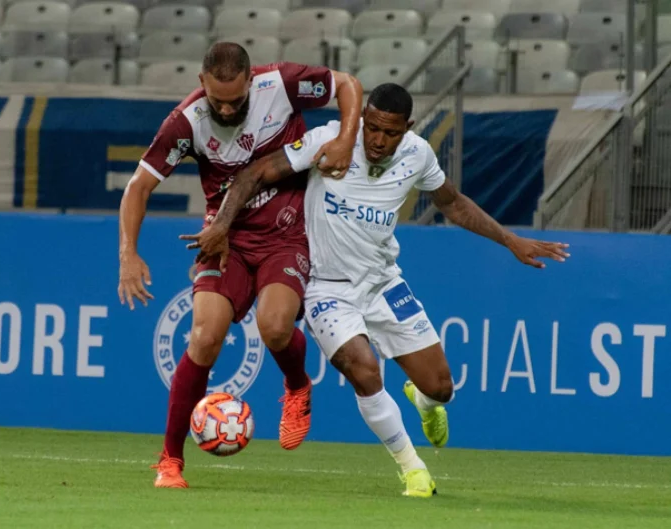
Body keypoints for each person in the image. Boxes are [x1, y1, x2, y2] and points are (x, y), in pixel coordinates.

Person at [181, 83, 570, 497]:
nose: (379, 140)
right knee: (364, 370)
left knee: (440, 388)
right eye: (373, 128)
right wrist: (221, 224)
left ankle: (423, 403)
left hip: (384, 283)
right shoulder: (328, 141)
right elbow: (256, 172)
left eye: (391, 132)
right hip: (326, 288)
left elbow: (452, 202)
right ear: (363, 118)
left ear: (409, 128)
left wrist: (511, 241)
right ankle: (413, 469)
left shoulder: (418, 153)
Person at [117, 42, 364, 489]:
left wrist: (345, 139)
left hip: (287, 234)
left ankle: (296, 385)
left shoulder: (283, 84)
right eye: (218, 100)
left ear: (251, 80)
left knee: (274, 326)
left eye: (237, 99)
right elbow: (138, 187)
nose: (228, 109)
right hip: (223, 237)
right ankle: (170, 460)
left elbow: (348, 84)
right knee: (205, 336)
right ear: (201, 84)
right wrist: (128, 254)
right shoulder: (186, 122)